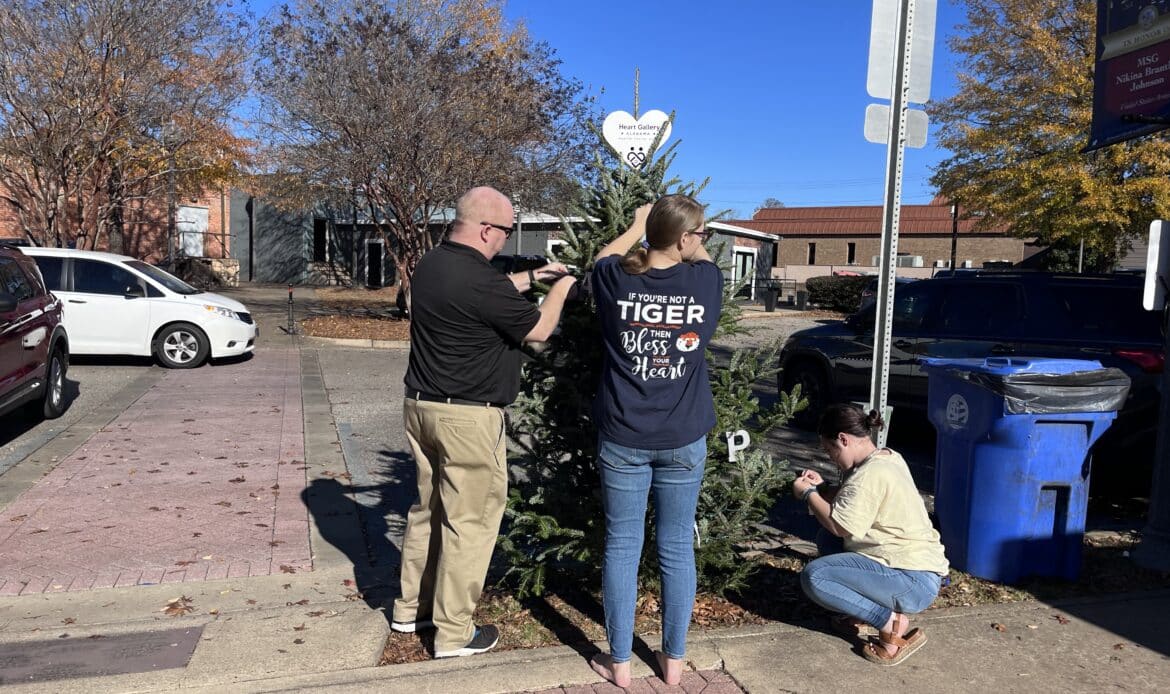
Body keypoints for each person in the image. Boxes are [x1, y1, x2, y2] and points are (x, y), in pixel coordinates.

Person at [392, 186, 577, 658]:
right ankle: (454, 634)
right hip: (468, 420)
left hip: (421, 408)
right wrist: (561, 287)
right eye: (506, 232)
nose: (505, 242)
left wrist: (533, 275)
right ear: (486, 229)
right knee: (468, 525)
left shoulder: (432, 264)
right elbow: (538, 329)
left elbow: (484, 293)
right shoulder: (479, 279)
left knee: (427, 512)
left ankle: (410, 609)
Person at [586, 195, 723, 687]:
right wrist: (686, 239)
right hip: (683, 437)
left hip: (623, 434)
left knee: (622, 546)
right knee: (676, 547)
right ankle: (674, 663)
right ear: (686, 239)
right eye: (700, 233)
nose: (703, 241)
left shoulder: (617, 278)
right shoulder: (706, 281)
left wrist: (638, 225)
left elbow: (602, 256)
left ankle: (620, 664)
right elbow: (701, 256)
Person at [793, 403, 949, 666]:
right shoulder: (886, 457)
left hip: (911, 580)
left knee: (815, 577)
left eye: (830, 450)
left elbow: (840, 525)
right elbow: (852, 502)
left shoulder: (869, 475)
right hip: (915, 570)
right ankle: (861, 612)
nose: (830, 457)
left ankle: (890, 624)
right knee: (828, 541)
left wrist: (808, 494)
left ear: (843, 439)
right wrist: (822, 488)